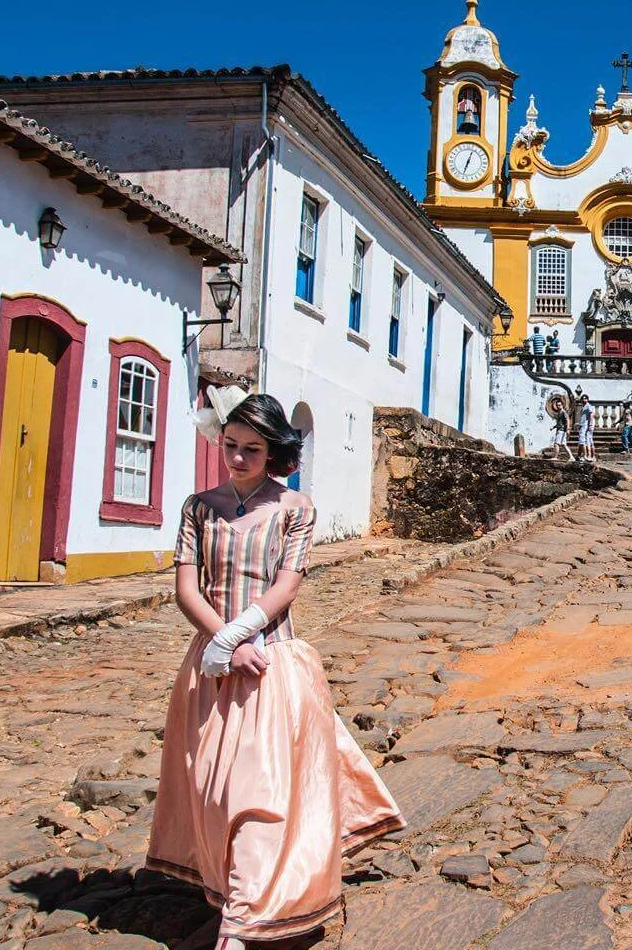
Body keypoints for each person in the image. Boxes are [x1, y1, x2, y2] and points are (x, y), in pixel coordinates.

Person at [147, 386, 405, 949]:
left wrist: (245, 634)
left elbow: (288, 585)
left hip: (271, 664)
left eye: (252, 450)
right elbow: (186, 590)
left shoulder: (295, 509)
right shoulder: (198, 508)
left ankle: (240, 922)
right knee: (212, 789)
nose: (238, 458)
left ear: (274, 453)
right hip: (211, 668)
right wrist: (223, 640)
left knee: (258, 791)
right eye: (231, 445)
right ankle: (232, 889)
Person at [549, 395, 575, 462]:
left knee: (556, 443)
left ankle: (555, 457)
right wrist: (553, 427)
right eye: (557, 405)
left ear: (562, 405)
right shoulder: (559, 413)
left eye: (559, 405)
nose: (558, 406)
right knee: (563, 445)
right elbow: (559, 423)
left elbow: (568, 420)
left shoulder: (563, 412)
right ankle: (571, 457)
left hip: (562, 430)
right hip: (560, 429)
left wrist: (568, 429)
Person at [576, 393, 595, 462]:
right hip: (583, 425)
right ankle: (580, 456)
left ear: (587, 399)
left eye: (585, 398)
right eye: (583, 398)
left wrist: (590, 424)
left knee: (583, 441)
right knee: (584, 441)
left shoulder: (588, 406)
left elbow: (591, 414)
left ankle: (586, 456)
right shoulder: (584, 407)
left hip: (586, 426)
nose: (584, 400)